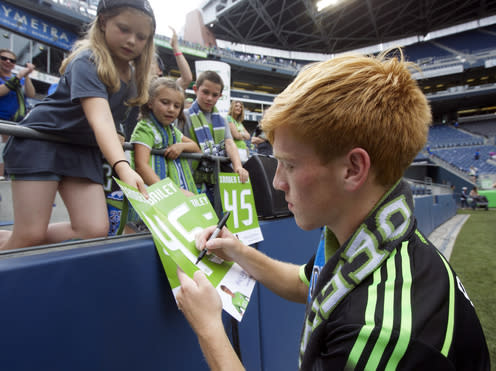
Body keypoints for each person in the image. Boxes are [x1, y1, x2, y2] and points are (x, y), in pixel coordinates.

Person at [176, 51, 490, 370]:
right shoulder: (364, 229)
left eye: (289, 164)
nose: (277, 180)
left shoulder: (377, 333)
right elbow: (307, 283)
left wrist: (209, 329)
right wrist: (238, 251)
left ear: (353, 169)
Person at [0, 0, 155, 253]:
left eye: (141, 36)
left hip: (79, 150)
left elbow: (114, 120)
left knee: (94, 229)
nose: (131, 40)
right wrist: (123, 167)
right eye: (124, 29)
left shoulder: (133, 77)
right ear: (104, 22)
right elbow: (100, 119)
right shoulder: (88, 60)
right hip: (41, 141)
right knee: (30, 234)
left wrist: (119, 134)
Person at [183, 70, 249, 201]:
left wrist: (238, 166)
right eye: (205, 92)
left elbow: (229, 143)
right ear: (195, 89)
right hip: (189, 179)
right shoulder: (184, 115)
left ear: (220, 96)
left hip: (214, 180)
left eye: (214, 95)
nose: (209, 98)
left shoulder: (222, 120)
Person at [131, 77, 200, 195]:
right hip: (150, 193)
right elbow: (141, 166)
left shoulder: (172, 131)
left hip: (166, 191)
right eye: (165, 102)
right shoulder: (145, 128)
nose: (171, 109)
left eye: (177, 106)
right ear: (150, 102)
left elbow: (196, 148)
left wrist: (180, 146)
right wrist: (172, 192)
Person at [0, 49, 36, 178]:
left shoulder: (19, 79)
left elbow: (30, 94)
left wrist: (27, 75)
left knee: (8, 153)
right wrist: (19, 76)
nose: (8, 62)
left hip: (13, 123)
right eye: (4, 58)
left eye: (12, 60)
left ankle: (5, 180)